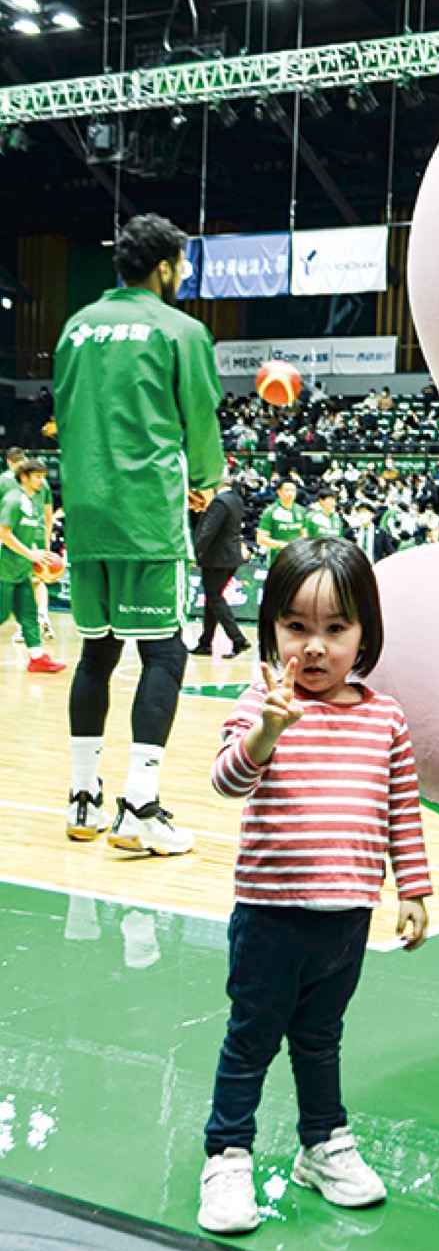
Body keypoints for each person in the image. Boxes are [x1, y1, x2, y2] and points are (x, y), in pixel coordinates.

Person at [198, 537, 431, 1236]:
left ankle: (322, 1144)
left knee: (321, 1037)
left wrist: (413, 889)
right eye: (297, 626)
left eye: (336, 627)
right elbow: (226, 780)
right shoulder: (261, 705)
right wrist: (267, 731)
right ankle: (227, 1154)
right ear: (272, 627)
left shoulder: (385, 718)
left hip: (347, 916)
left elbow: (402, 809)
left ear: (365, 633)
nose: (316, 647)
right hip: (270, 915)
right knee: (251, 1038)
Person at [54, 213, 224, 852]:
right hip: (147, 515)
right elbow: (200, 420)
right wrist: (205, 480)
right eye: (181, 264)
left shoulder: (75, 328)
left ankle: (83, 798)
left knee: (96, 653)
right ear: (164, 266)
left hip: (86, 515)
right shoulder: (181, 330)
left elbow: (64, 415)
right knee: (165, 654)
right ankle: (140, 807)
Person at [0, 458, 66, 674]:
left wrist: (43, 557)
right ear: (23, 477)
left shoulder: (33, 502)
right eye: (37, 477)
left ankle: (37, 657)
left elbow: (32, 534)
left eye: (43, 477)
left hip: (21, 568)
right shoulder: (13, 500)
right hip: (4, 567)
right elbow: (3, 533)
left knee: (29, 613)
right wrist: (31, 554)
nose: (41, 482)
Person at [191, 471, 252, 659]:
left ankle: (238, 639)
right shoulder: (236, 500)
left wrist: (194, 552)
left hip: (217, 558)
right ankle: (205, 643)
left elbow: (208, 531)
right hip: (231, 557)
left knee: (215, 597)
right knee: (212, 599)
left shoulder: (220, 502)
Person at [256, 477, 306, 564]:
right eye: (287, 490)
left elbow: (304, 534)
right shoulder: (270, 511)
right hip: (277, 558)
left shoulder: (301, 510)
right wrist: (282, 545)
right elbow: (260, 539)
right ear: (279, 492)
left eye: (293, 490)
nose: (290, 493)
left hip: (297, 558)